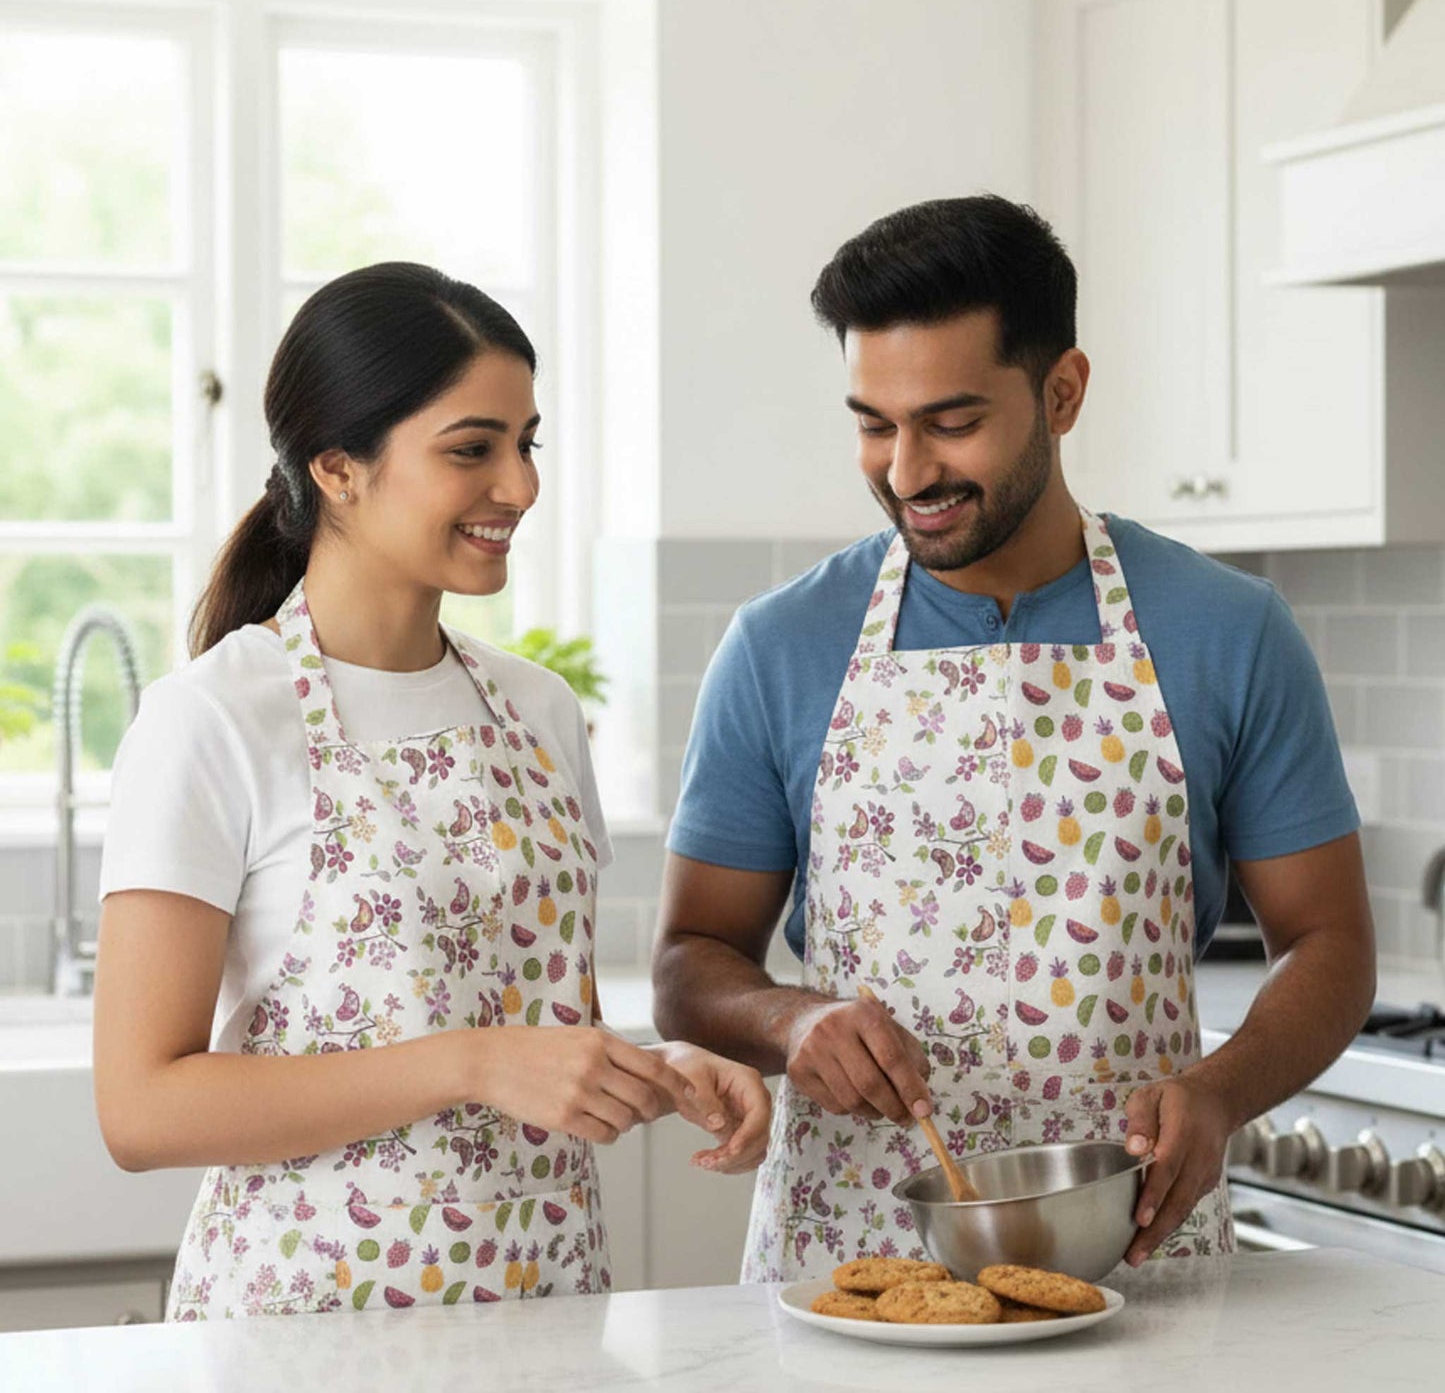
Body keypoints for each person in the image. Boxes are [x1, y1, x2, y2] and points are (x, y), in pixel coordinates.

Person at [651, 196, 1375, 1280]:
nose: (904, 471)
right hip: (854, 1269)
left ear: (1061, 392)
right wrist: (789, 1019)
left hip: (1134, 1255)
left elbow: (1329, 941)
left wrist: (1218, 1094)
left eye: (949, 422)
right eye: (870, 423)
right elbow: (686, 961)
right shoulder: (781, 643)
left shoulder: (1225, 630)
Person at [93, 262, 770, 1319]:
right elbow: (141, 1108)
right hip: (304, 1334)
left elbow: (536, 1028)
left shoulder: (539, 711)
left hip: (543, 1316)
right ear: (337, 466)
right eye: (472, 448)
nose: (521, 485)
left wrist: (656, 1065)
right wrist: (471, 1063)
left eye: (525, 443)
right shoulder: (216, 718)